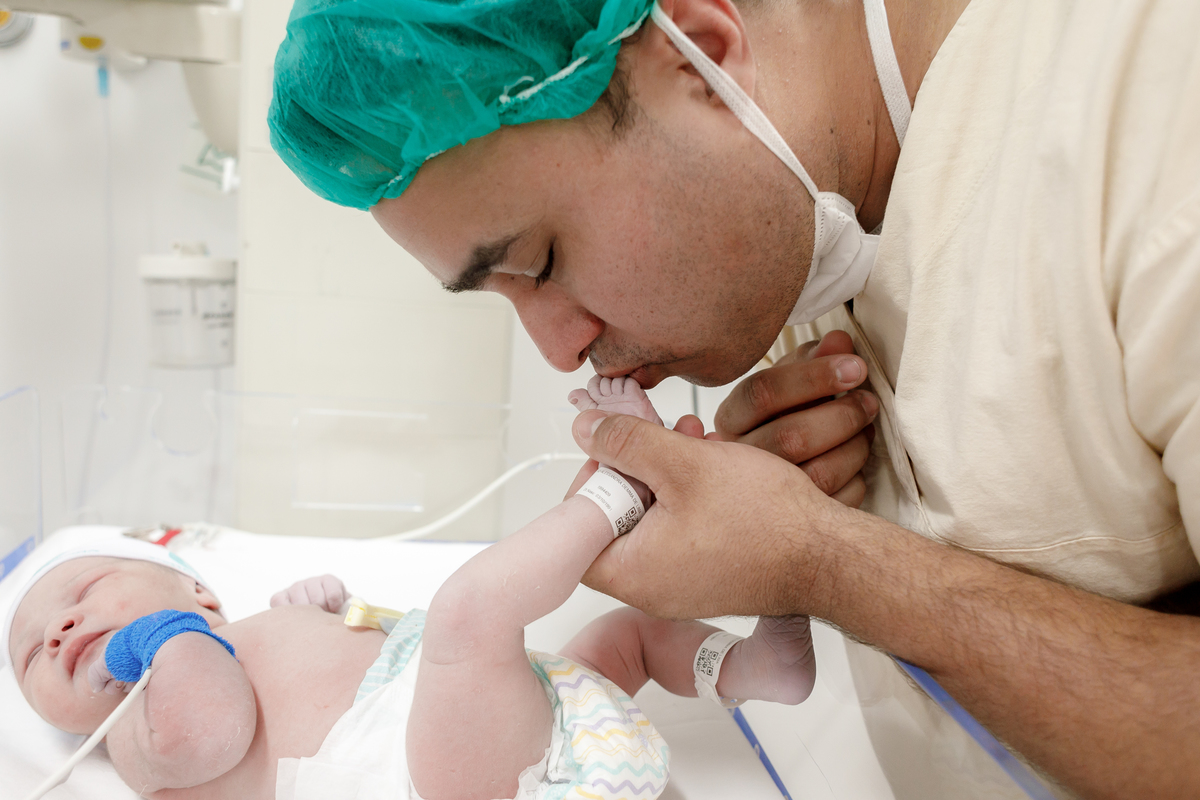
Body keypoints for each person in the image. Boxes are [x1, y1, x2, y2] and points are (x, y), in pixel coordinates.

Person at [268, 0, 1200, 797]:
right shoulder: (792, 224)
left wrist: (830, 564)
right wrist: (769, 524)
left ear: (702, 54)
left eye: (542, 262)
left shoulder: (1154, 118)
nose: (560, 351)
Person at [5, 377, 817, 800]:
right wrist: (157, 641)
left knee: (623, 637)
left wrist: (325, 616)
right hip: (410, 777)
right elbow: (213, 727)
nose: (58, 628)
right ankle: (622, 489)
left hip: (479, 731)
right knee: (471, 612)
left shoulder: (239, 633)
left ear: (201, 593)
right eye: (32, 656)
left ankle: (755, 670)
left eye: (87, 586)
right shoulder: (138, 739)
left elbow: (354, 662)